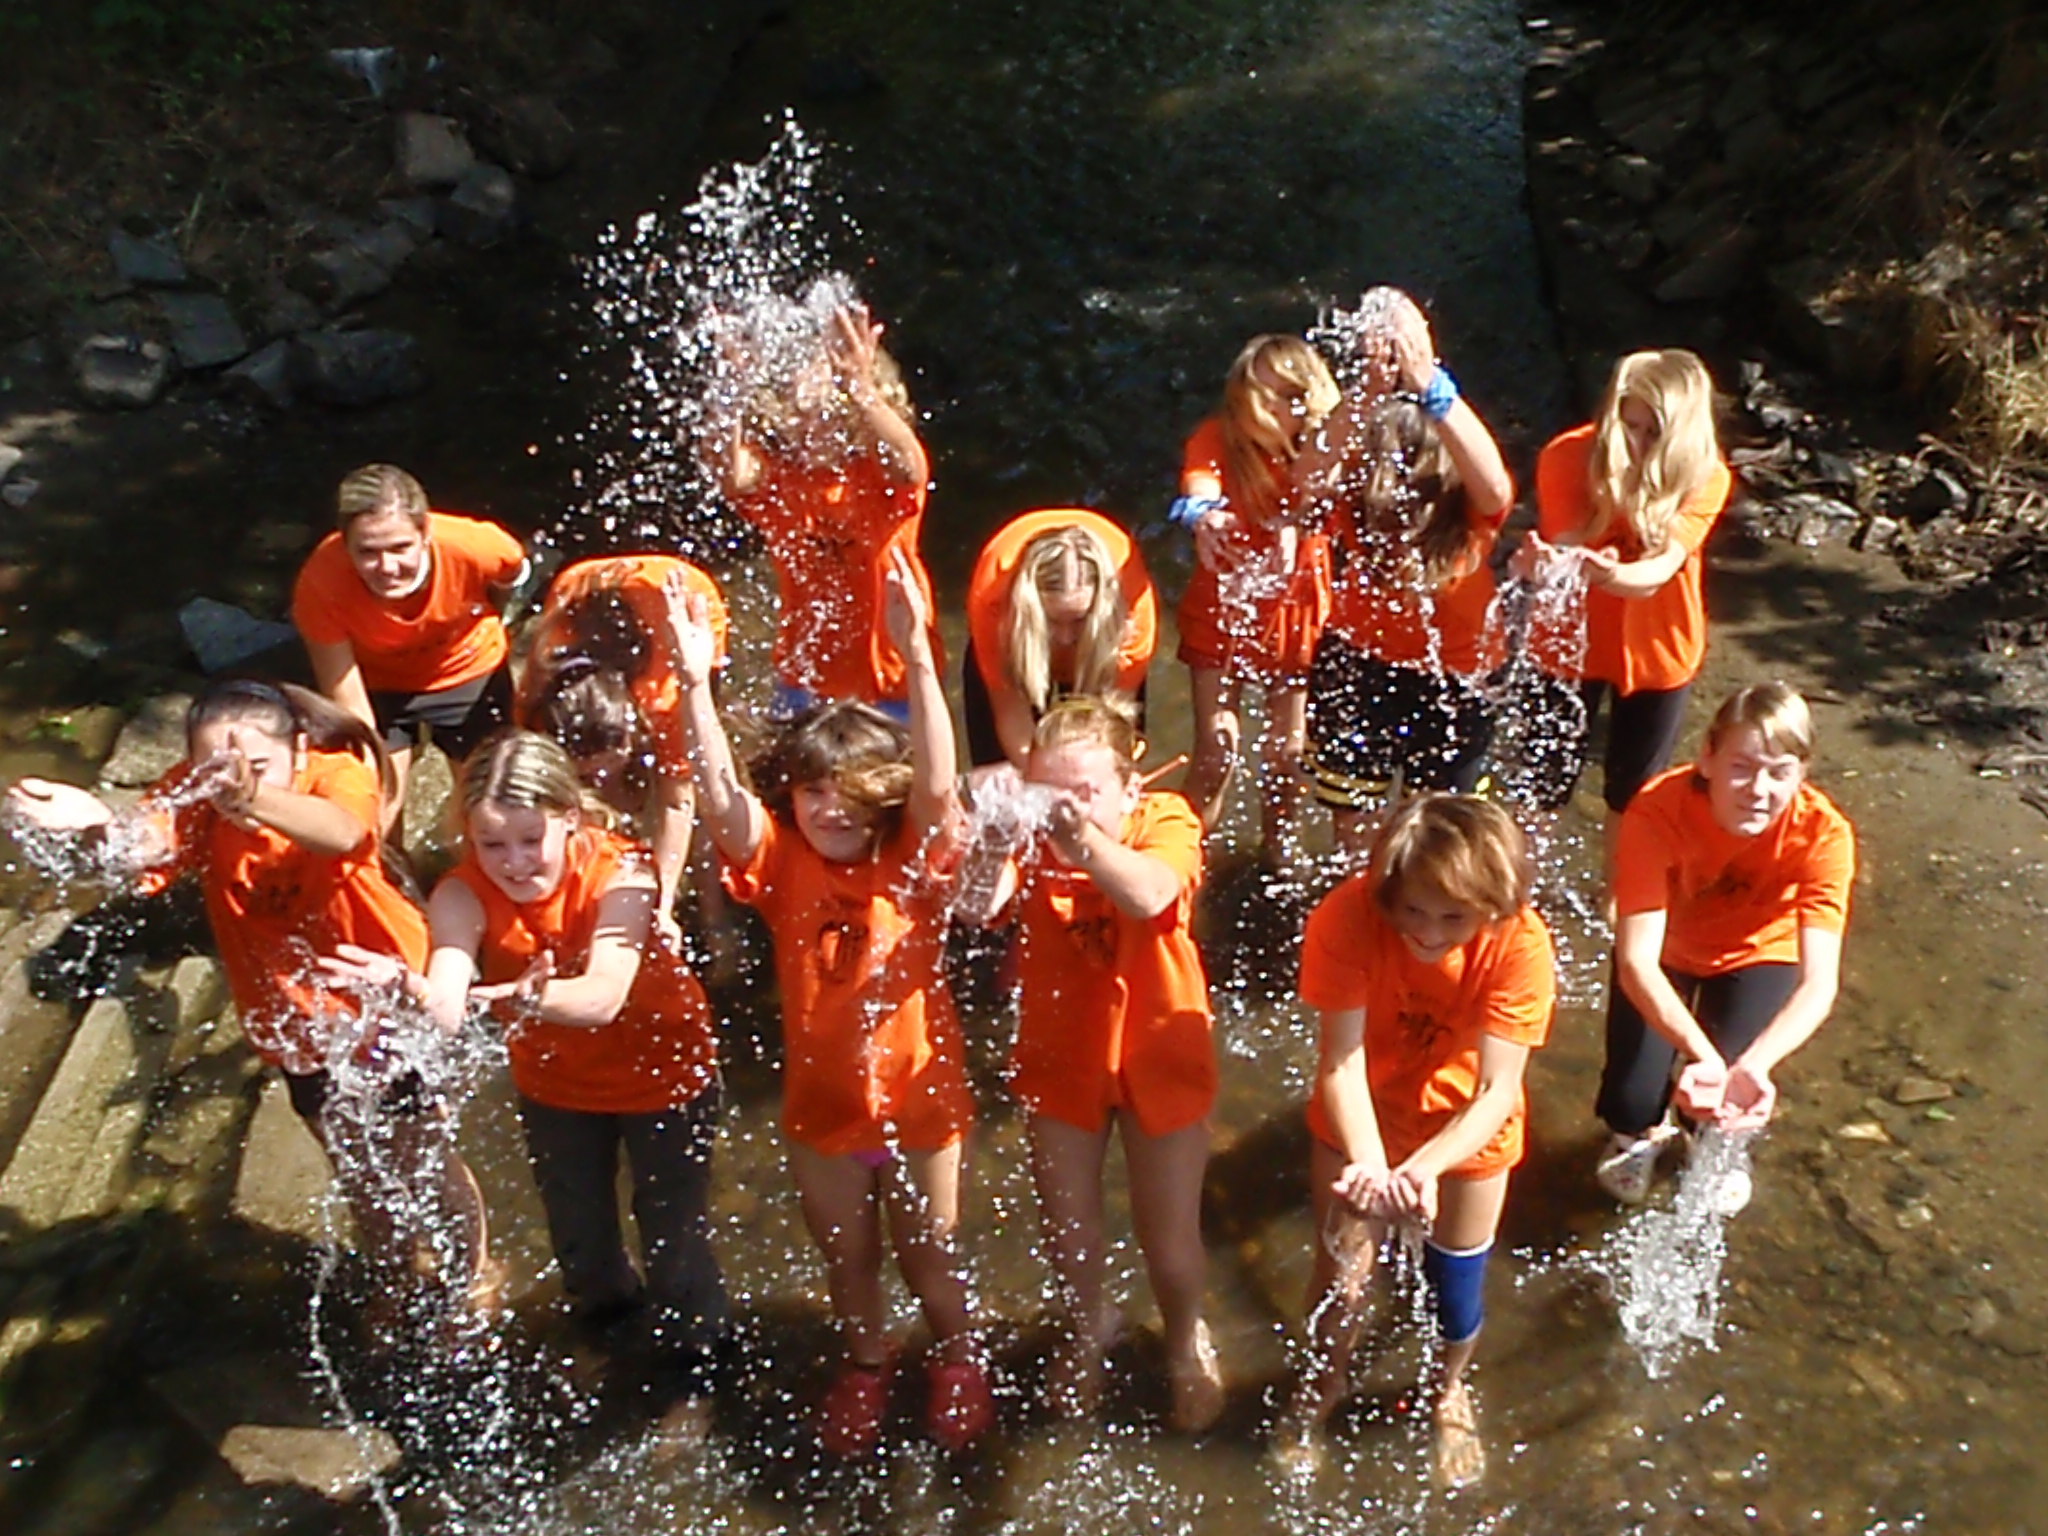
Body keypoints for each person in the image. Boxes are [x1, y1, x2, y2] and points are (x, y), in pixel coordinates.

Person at [6, 679, 492, 1338]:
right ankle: (396, 1272)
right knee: (351, 1161)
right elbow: (140, 847)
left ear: (298, 749)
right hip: (296, 1023)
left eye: (256, 766)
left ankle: (471, 1272)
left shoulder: (337, 774)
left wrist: (252, 796)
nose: (229, 781)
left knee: (419, 1155)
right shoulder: (200, 794)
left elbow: (344, 832)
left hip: (387, 1001)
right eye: (213, 768)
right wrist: (94, 821)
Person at [674, 548, 992, 1458]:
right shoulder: (783, 866)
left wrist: (919, 656)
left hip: (922, 1110)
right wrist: (694, 685)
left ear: (880, 796)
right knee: (847, 1259)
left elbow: (939, 786)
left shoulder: (913, 863)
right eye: (813, 792)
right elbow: (721, 799)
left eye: (849, 793)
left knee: (929, 1254)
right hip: (823, 1112)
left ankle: (958, 1357)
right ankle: (866, 1362)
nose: (830, 810)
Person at [374, 729, 730, 1434]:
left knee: (674, 1233)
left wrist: (524, 997)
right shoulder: (460, 891)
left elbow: (602, 996)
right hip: (555, 1086)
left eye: (530, 840)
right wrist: (415, 992)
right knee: (579, 1236)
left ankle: (695, 1370)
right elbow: (449, 992)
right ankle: (610, 1331)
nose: (512, 862)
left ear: (571, 818)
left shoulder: (624, 872)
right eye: (491, 843)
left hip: (665, 1075)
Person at [960, 697, 1224, 1431]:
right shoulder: (1032, 839)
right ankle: (1089, 1326)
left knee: (1170, 1243)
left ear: (1128, 788)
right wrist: (992, 833)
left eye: (1085, 791)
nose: (1066, 807)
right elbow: (975, 907)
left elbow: (1150, 893)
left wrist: (1077, 839)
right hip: (1062, 1052)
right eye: (1052, 791)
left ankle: (1185, 1337)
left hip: (1160, 1052)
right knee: (1068, 1229)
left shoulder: (1168, 818)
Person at [1285, 793, 1554, 1488]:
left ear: (1492, 905)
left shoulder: (1521, 942)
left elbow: (1497, 1090)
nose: (1428, 934)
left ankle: (1446, 1391)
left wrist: (1423, 1170)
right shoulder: (1347, 916)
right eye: (1411, 910)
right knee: (1340, 1281)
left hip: (1467, 1132)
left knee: (1455, 1291)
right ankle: (1320, 1387)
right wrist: (1374, 1169)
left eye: (1453, 918)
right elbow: (1340, 1062)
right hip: (1361, 1115)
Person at [1595, 683, 1854, 1207]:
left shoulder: (1824, 836)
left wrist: (1751, 1067)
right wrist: (1704, 1056)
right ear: (1708, 758)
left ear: (1802, 774)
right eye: (1742, 767)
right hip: (1665, 952)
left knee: (1725, 1104)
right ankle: (1638, 1136)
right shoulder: (1657, 811)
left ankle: (1707, 1143)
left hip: (1759, 952)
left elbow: (1819, 983)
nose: (1758, 789)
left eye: (1779, 772)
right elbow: (1636, 961)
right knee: (1631, 1099)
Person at [1300, 290, 1516, 855]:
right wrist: (1369, 391)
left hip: (1458, 678)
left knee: (1442, 831)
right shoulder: (1359, 504)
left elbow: (1496, 485)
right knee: (1354, 826)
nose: (1397, 490)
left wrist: (1432, 387)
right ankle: (1361, 900)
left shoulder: (1469, 514)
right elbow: (1308, 477)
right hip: (1359, 663)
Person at [1524, 349, 1734, 864]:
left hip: (1660, 649)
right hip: (1568, 644)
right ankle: (1519, 889)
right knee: (1542, 784)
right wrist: (1555, 562)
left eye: (1653, 433)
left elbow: (1660, 570)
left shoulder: (1706, 474)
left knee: (1634, 795)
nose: (1636, 443)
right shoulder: (1566, 456)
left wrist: (1609, 574)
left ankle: (1617, 899)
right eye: (1628, 425)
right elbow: (1566, 545)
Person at [713, 297, 940, 719]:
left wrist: (861, 389)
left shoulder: (879, 478)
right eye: (799, 413)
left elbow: (910, 464)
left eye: (829, 415)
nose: (810, 427)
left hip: (892, 679)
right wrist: (730, 390)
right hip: (804, 683)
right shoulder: (780, 479)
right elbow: (729, 472)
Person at [1172, 335, 1341, 852]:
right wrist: (1204, 517)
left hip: (1298, 614)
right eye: (1256, 397)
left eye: (1285, 397)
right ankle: (1185, 855)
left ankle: (1278, 856)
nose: (1268, 411)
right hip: (1225, 605)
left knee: (1287, 757)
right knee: (1215, 754)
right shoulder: (1217, 439)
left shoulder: (1324, 447)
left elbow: (1333, 500)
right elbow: (1198, 492)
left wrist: (1299, 520)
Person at [292, 464, 527, 825]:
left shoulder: (477, 546)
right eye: (368, 552)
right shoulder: (321, 583)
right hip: (379, 685)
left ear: (425, 532)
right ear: (344, 543)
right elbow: (350, 703)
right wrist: (369, 774)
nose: (387, 567)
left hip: (468, 670)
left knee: (490, 808)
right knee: (376, 807)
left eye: (401, 547)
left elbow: (511, 578)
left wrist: (492, 616)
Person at [518, 554, 731, 947]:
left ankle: (716, 917)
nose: (599, 780)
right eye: (587, 774)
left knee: (700, 778)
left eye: (605, 769)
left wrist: (661, 903)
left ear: (634, 731)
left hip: (687, 597)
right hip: (582, 582)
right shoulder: (538, 695)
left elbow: (677, 802)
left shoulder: (666, 702)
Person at [963, 509, 1157, 769]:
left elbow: (1115, 717)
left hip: (1101, 638)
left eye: (1078, 621)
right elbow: (1012, 718)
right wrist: (1044, 778)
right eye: (1052, 620)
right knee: (999, 771)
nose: (1065, 639)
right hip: (1019, 632)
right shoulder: (994, 604)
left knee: (1110, 762)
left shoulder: (1132, 611)